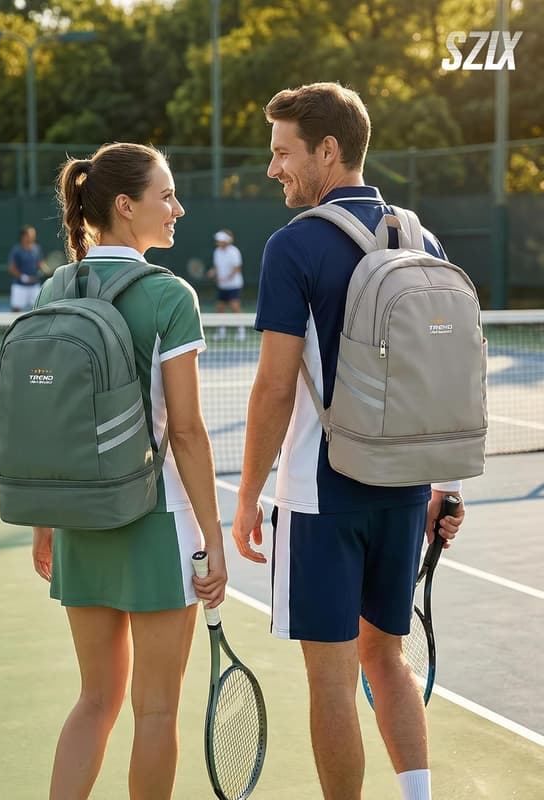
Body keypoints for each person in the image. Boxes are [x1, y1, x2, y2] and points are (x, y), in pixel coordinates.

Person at [231, 82, 466, 800]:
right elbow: (446, 374)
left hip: (319, 496)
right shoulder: (421, 236)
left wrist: (245, 499)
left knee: (331, 681)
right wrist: (445, 486)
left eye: (282, 152)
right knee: (387, 662)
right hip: (404, 493)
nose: (274, 168)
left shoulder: (293, 245)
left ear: (327, 151)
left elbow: (274, 388)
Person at [30, 142, 227, 800]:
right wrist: (215, 538)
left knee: (94, 701)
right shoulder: (171, 295)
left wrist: (45, 522)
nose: (177, 207)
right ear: (125, 205)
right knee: (156, 709)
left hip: (79, 521)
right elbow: (190, 432)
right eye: (165, 195)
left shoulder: (56, 286)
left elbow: (41, 418)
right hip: (157, 521)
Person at [206, 228, 245, 340]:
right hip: (222, 286)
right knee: (220, 308)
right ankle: (221, 332)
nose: (217, 242)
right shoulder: (217, 252)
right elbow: (216, 267)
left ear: (226, 241)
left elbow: (237, 269)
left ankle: (241, 331)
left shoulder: (234, 251)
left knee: (235, 307)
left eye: (220, 240)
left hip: (234, 285)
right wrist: (212, 272)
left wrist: (225, 278)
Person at [7, 224, 46, 312]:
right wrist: (24, 278)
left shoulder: (37, 248)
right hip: (19, 286)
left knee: (38, 310)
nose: (33, 237)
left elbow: (40, 264)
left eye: (33, 234)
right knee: (15, 310)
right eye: (30, 234)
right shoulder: (16, 250)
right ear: (23, 236)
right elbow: (11, 268)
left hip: (34, 286)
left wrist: (45, 269)